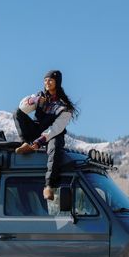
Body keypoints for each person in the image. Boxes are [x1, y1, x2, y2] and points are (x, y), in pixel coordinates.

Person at [13, 70, 79, 200]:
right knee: (17, 113)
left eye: (50, 80)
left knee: (56, 144)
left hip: (52, 135)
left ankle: (49, 186)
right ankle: (25, 143)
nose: (47, 83)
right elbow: (22, 108)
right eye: (45, 80)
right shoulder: (40, 96)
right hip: (36, 130)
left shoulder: (65, 107)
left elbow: (55, 129)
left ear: (57, 82)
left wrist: (39, 141)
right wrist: (35, 100)